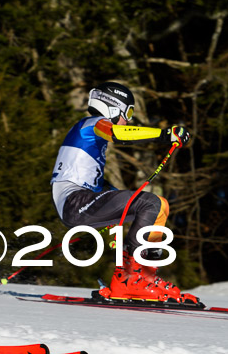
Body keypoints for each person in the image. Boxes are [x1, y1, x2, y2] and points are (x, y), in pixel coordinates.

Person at [50, 81, 195, 302]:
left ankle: (145, 276)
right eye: (128, 112)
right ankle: (130, 280)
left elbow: (95, 183)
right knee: (149, 203)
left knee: (160, 205)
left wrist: (112, 227)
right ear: (112, 106)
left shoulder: (90, 136)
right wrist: (164, 134)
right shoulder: (93, 124)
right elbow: (119, 133)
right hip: (74, 201)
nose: (128, 118)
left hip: (82, 200)